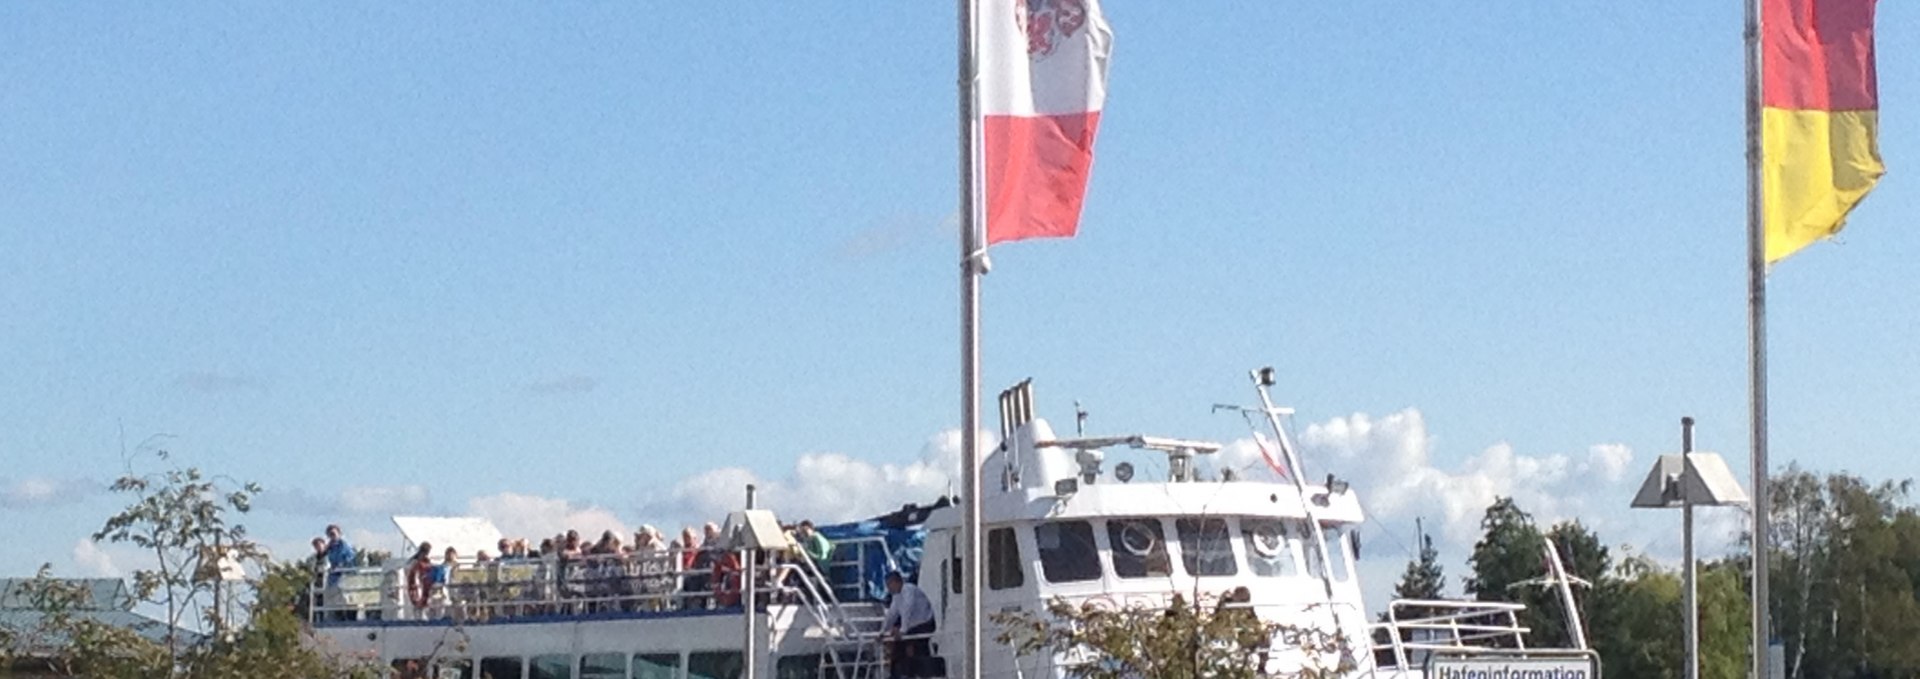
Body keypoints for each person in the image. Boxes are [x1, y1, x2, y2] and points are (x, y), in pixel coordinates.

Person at [882, 572, 935, 679]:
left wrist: (903, 630)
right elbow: (892, 614)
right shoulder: (897, 596)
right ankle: (898, 674)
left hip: (924, 624)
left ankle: (916, 674)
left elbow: (908, 609)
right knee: (898, 647)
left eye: (889, 585)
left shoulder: (909, 590)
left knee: (914, 646)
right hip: (913, 626)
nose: (888, 588)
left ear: (896, 582)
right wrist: (882, 632)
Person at [405, 543, 436, 617]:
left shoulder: (426, 561)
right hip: (415, 585)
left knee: (425, 604)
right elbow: (410, 573)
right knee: (417, 604)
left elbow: (430, 571)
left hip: (425, 585)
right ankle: (418, 619)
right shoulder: (414, 562)